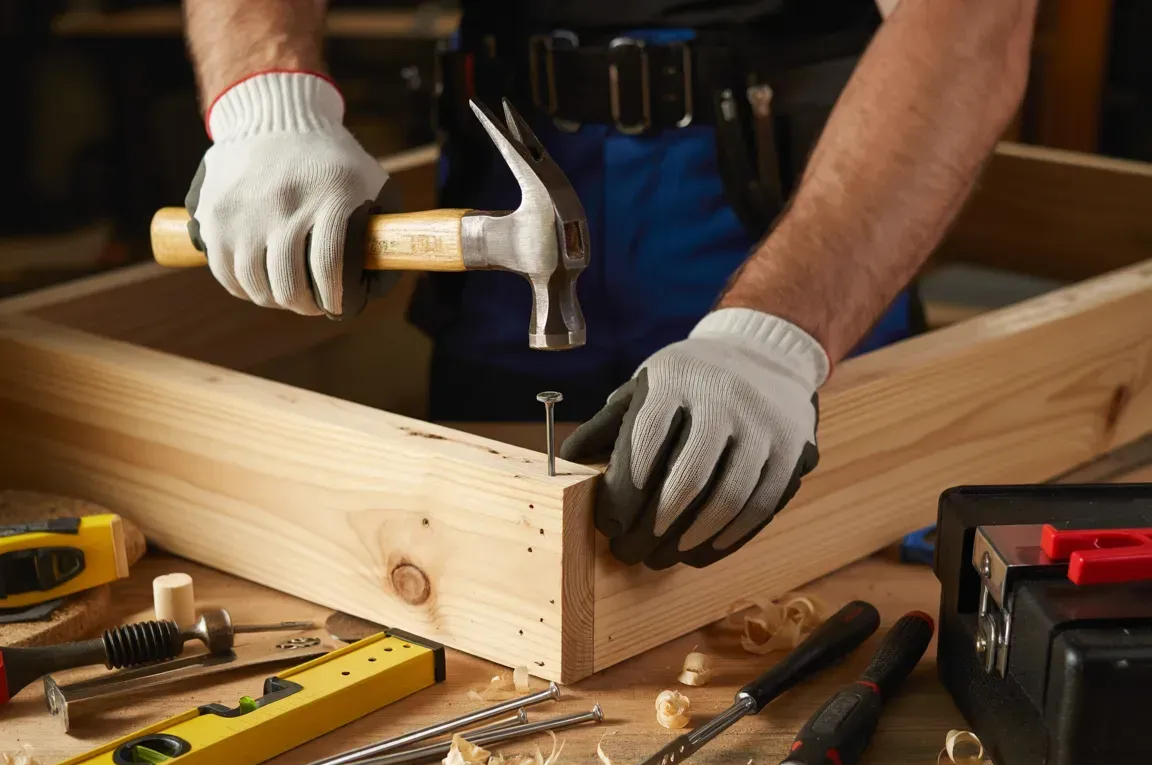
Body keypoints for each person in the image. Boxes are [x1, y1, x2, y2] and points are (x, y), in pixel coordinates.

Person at [180, 0, 1038, 571]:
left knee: (831, 591)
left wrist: (777, 337)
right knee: (481, 585)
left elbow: (970, 21)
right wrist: (268, 103)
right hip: (504, 230)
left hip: (797, 223)